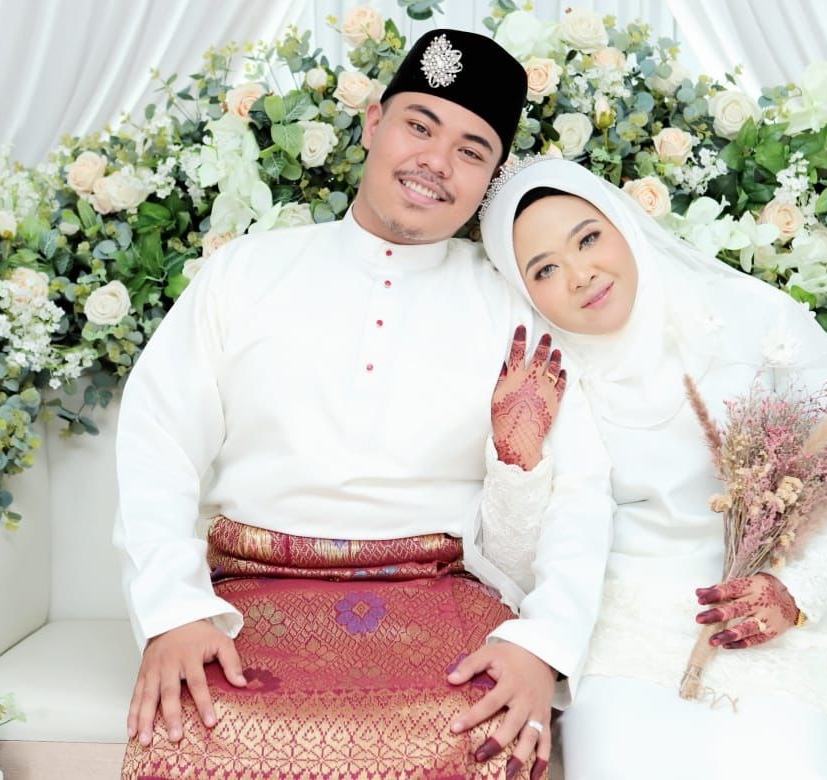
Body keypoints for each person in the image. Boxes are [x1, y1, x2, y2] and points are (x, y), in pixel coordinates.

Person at [112, 31, 613, 780]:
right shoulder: (247, 272)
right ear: (373, 123)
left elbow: (580, 488)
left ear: (491, 178)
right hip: (249, 590)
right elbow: (159, 442)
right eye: (420, 126)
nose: (436, 162)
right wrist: (175, 612)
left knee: (480, 732)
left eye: (471, 151)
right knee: (203, 724)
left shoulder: (511, 307)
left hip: (441, 593)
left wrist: (541, 645)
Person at [473, 157, 827, 779]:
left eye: (587, 239)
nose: (580, 275)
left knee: (781, 760)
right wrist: (520, 456)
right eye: (545, 269)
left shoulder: (753, 316)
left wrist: (794, 592)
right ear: (524, 288)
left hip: (773, 608)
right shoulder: (551, 374)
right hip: (624, 625)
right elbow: (550, 544)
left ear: (622, 224)